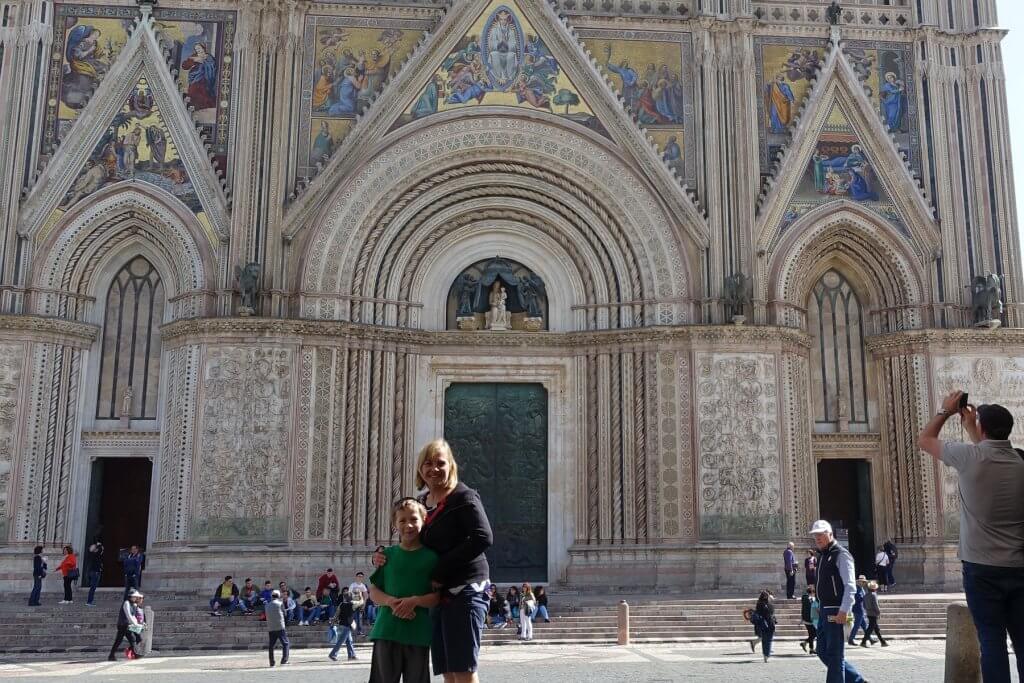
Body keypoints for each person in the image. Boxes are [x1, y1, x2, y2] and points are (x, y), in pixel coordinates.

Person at [918, 390, 1024, 682]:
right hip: (1018, 566)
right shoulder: (1019, 461)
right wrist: (974, 428)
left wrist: (946, 411)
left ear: (982, 428)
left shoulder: (969, 457)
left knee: (991, 642)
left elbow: (925, 440)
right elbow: (994, 450)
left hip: (980, 569)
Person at [373, 438, 493, 683]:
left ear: (451, 466)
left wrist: (440, 570)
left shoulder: (464, 497)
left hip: (465, 589)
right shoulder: (422, 503)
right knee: (447, 667)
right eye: (428, 463)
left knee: (463, 667)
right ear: (420, 468)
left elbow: (483, 537)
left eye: (440, 463)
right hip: (438, 597)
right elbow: (412, 541)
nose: (434, 468)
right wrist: (383, 555)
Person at [368, 497, 440, 683]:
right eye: (402, 520)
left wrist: (415, 601)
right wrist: (391, 602)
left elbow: (438, 596)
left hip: (418, 632)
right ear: (394, 524)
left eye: (414, 519)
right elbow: (374, 591)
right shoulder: (387, 556)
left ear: (424, 520)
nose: (408, 525)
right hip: (386, 630)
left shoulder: (433, 558)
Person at [810, 519, 867, 683]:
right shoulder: (822, 556)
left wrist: (845, 609)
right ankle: (857, 680)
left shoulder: (841, 554)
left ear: (830, 534)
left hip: (836, 610)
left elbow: (850, 586)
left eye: (821, 534)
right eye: (815, 536)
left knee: (835, 655)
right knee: (822, 651)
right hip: (824, 609)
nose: (818, 538)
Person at [108, 589, 145, 661]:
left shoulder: (133, 604)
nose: (135, 598)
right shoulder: (126, 603)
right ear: (130, 596)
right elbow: (128, 615)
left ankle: (135, 654)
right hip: (123, 625)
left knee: (131, 639)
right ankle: (111, 655)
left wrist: (137, 624)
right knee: (120, 640)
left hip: (127, 625)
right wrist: (135, 624)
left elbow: (133, 616)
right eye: (134, 597)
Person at [328, 586, 358, 661]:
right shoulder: (353, 605)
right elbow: (361, 603)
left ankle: (352, 655)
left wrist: (333, 621)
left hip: (341, 624)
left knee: (349, 641)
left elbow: (336, 614)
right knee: (341, 641)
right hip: (347, 625)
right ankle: (333, 654)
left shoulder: (341, 604)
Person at [265, 589, 290, 667]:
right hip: (280, 626)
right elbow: (285, 614)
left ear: (271, 596)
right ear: (279, 596)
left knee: (271, 645)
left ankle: (272, 663)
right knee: (285, 643)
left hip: (271, 627)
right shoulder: (280, 603)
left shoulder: (267, 605)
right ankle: (284, 660)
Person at [860, 581, 888, 647]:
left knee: (876, 628)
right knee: (870, 628)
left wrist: (867, 609)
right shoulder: (874, 595)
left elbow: (864, 605)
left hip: (869, 613)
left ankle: (882, 641)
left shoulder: (866, 595)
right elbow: (876, 605)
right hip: (874, 613)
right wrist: (879, 612)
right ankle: (863, 641)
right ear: (874, 589)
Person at [751, 590, 776, 663]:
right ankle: (767, 655)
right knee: (769, 640)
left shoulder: (758, 604)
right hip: (770, 624)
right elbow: (772, 614)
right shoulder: (770, 605)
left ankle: (765, 655)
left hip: (762, 624)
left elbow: (758, 613)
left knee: (764, 640)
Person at [847, 576, 872, 646]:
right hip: (858, 609)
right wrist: (865, 598)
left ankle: (869, 638)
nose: (863, 583)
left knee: (864, 625)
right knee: (857, 625)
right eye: (862, 582)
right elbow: (856, 599)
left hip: (861, 608)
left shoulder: (861, 589)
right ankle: (851, 639)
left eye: (864, 582)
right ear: (859, 582)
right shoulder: (856, 589)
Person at [800, 585, 819, 654]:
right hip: (811, 619)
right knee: (815, 634)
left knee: (811, 634)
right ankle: (807, 644)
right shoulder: (812, 599)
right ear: (812, 592)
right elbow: (814, 609)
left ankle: (810, 648)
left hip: (805, 619)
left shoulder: (804, 598)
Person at [86, 537, 104, 606]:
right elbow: (100, 549)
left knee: (93, 587)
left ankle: (89, 601)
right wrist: (99, 545)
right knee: (93, 588)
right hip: (95, 573)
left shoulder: (94, 555)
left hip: (95, 572)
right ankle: (89, 602)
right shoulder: (95, 554)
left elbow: (101, 550)